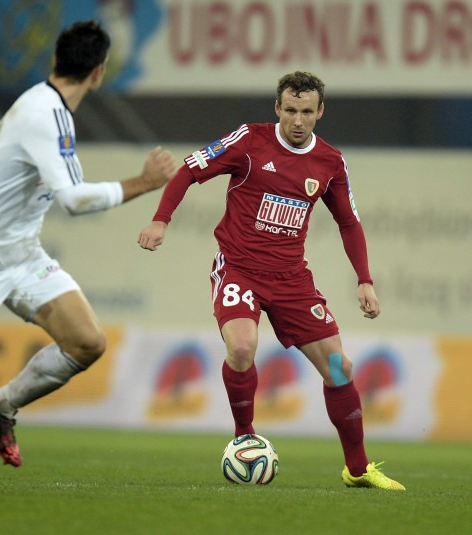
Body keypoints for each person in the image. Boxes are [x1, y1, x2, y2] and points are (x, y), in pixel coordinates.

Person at [0, 20, 176, 491]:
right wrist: (143, 183)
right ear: (99, 72)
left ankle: (3, 406)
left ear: (55, 61)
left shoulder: (37, 104)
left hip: (22, 256)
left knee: (87, 342)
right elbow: (73, 200)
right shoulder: (47, 114)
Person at [138, 71, 405, 491]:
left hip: (291, 278)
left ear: (320, 112)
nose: (298, 121)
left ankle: (357, 469)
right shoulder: (249, 141)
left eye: (307, 112)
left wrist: (365, 280)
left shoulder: (330, 162)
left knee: (340, 367)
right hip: (239, 268)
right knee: (243, 346)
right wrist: (160, 219)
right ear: (277, 108)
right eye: (291, 110)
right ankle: (245, 436)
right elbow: (189, 169)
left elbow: (349, 223)